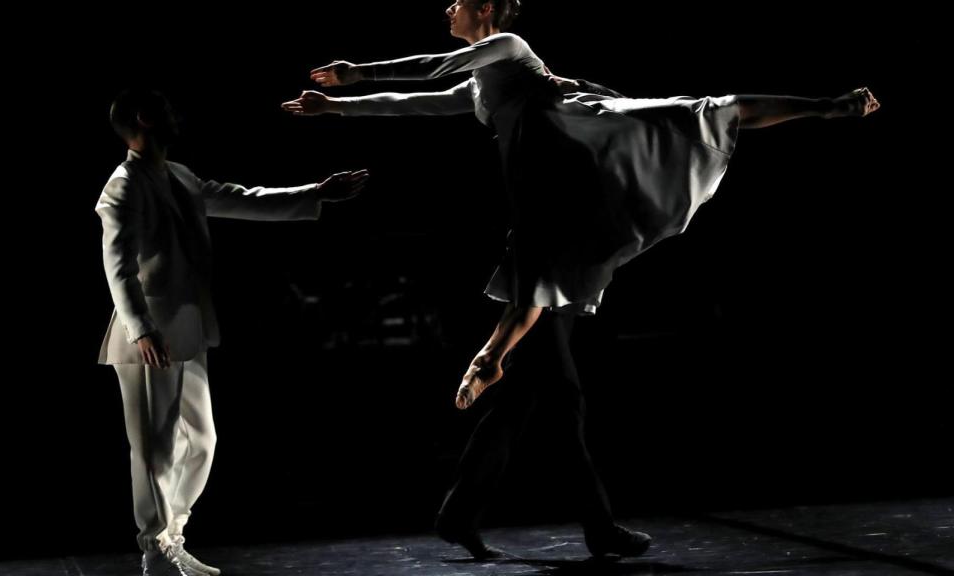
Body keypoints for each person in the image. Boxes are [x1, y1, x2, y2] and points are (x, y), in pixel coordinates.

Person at [281, 0, 879, 560]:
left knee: (701, 114)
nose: (448, 9)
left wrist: (354, 72)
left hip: (565, 204)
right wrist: (336, 108)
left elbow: (436, 67)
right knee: (553, 390)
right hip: (545, 220)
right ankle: (541, 515)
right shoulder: (487, 82)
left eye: (459, 1)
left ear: (486, 10)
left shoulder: (510, 47)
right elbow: (419, 103)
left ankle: (827, 106)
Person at [98, 88, 368, 576]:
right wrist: (140, 329)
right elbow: (117, 266)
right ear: (144, 118)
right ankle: (154, 552)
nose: (175, 114)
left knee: (203, 440)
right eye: (167, 108)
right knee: (155, 448)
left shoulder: (178, 175)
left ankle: (171, 534)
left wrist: (314, 193)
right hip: (147, 336)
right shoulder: (123, 185)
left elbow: (241, 199)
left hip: (186, 328)